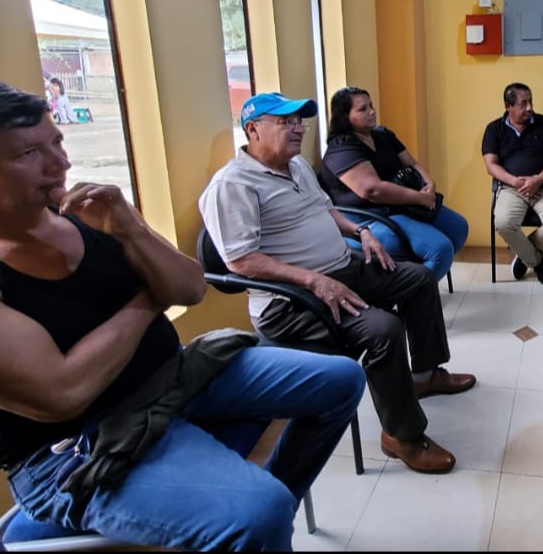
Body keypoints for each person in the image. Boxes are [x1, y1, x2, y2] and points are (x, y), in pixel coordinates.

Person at [0, 79, 365, 551]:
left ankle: (264, 511)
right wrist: (149, 299)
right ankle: (255, 520)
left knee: (342, 379)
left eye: (57, 142)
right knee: (258, 513)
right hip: (77, 443)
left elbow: (189, 286)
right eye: (28, 154)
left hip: (172, 377)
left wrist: (131, 228)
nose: (60, 163)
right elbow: (64, 391)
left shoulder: (83, 213)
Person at [199, 92, 476, 475]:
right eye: (285, 122)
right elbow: (240, 260)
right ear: (253, 129)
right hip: (291, 302)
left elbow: (326, 210)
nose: (298, 128)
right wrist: (314, 280)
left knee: (418, 277)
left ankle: (425, 376)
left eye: (300, 121)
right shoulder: (232, 185)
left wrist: (361, 231)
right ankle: (402, 436)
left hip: (342, 268)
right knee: (384, 329)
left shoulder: (296, 166)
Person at [319, 87, 468, 283]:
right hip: (371, 215)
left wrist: (429, 183)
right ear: (345, 117)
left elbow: (411, 163)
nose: (372, 112)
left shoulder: (382, 134)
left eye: (371, 106)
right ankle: (413, 294)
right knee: (440, 249)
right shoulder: (341, 148)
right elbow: (373, 190)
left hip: (400, 205)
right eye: (363, 109)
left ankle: (416, 281)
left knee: (458, 228)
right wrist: (419, 198)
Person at [481, 82, 543, 287]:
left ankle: (524, 255)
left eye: (530, 101)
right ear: (508, 106)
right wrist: (515, 181)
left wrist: (540, 178)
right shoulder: (494, 129)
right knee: (503, 223)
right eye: (523, 103)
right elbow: (491, 165)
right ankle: (536, 262)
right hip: (512, 189)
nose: (529, 107)